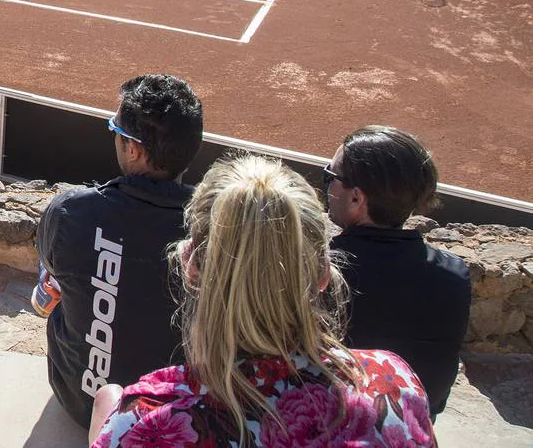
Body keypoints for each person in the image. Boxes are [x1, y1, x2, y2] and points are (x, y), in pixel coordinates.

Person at [89, 155, 437, 447]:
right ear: (323, 274)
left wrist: (110, 421)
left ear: (190, 265)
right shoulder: (396, 385)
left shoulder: (142, 424)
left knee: (108, 397)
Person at [35, 74, 203, 430]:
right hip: (168, 415)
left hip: (80, 404)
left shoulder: (70, 211)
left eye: (118, 131)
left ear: (135, 149)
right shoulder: (215, 229)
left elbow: (50, 279)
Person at [326, 126, 471, 418]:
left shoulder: (322, 273)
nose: (328, 188)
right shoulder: (454, 275)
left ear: (356, 199)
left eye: (331, 178)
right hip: (413, 426)